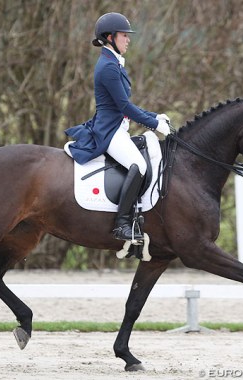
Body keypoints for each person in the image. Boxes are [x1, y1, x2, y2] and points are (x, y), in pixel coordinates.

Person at [65, 12, 171, 241]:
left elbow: (125, 104)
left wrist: (155, 116)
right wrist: (153, 124)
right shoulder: (109, 67)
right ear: (110, 37)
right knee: (139, 165)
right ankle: (122, 224)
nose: (128, 39)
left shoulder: (113, 63)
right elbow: (123, 105)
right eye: (124, 35)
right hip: (110, 131)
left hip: (115, 127)